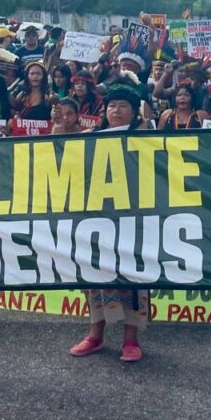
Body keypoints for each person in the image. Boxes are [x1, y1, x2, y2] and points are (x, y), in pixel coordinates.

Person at [69, 78, 151, 362]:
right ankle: (94, 335)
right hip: (97, 215)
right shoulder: (92, 135)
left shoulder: (145, 136)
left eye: (123, 106)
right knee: (95, 274)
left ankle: (131, 340)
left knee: (133, 276)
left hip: (134, 215)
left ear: (134, 111)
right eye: (112, 105)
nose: (116, 111)